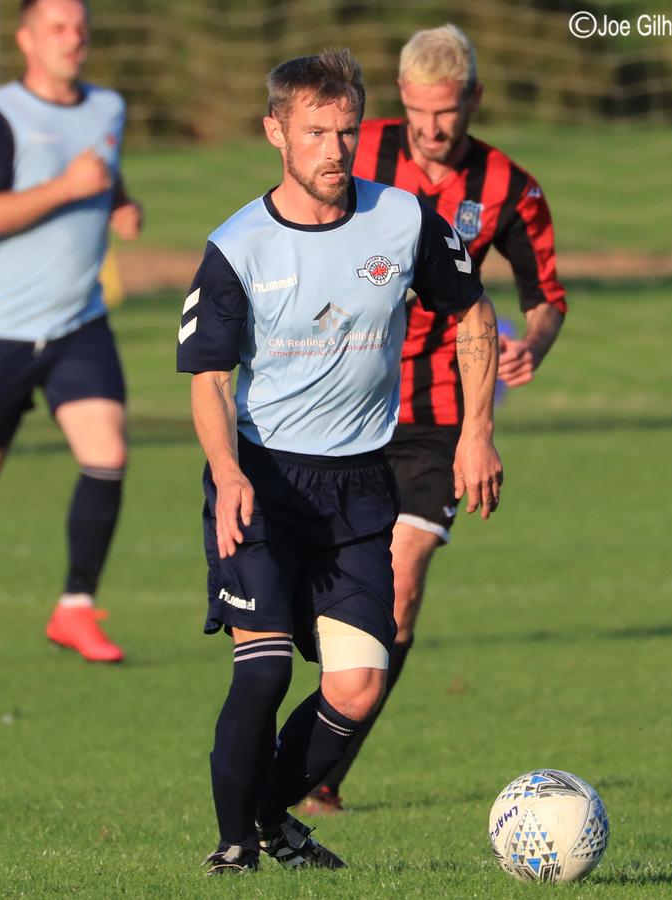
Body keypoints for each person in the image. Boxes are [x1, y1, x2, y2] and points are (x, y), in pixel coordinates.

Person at [176, 48, 503, 874]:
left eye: (346, 131)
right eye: (315, 132)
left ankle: (268, 815)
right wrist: (227, 475)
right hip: (262, 480)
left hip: (361, 483)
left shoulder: (401, 220)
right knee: (264, 668)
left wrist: (474, 431)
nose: (333, 150)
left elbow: (471, 312)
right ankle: (234, 846)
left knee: (358, 685)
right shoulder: (236, 247)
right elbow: (210, 380)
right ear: (274, 132)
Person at [297, 23, 566, 815]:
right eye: (416, 113)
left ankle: (323, 770)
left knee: (401, 581)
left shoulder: (508, 185)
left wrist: (535, 348)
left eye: (445, 113)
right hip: (339, 400)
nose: (430, 130)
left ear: (472, 100)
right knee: (314, 586)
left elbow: (543, 296)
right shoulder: (354, 150)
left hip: (438, 414)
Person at [0, 0, 143, 662]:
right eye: (57, 28)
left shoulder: (108, 106)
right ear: (25, 39)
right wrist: (68, 188)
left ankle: (75, 607)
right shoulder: (0, 115)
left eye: (80, 28)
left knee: (106, 453)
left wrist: (121, 201)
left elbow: (103, 168)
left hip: (79, 321)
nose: (72, 39)